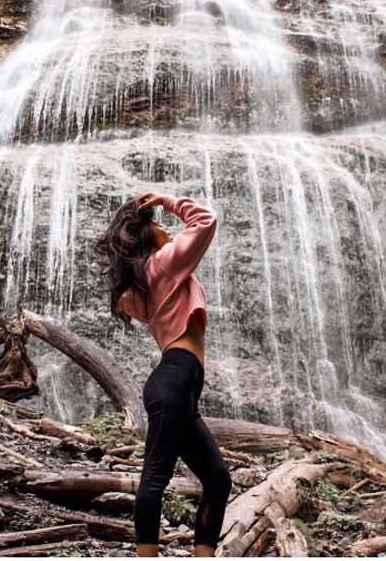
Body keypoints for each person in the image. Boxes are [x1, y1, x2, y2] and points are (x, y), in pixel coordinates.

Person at [95, 191, 231, 557]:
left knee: (217, 479)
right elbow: (205, 221)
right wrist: (168, 201)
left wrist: (151, 232)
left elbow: (130, 296)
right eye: (158, 225)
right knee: (155, 477)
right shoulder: (164, 264)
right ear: (145, 234)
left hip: (177, 387)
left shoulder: (140, 286)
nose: (166, 229)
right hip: (175, 381)